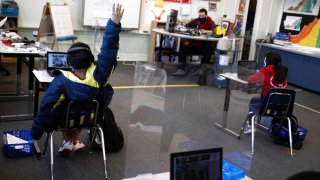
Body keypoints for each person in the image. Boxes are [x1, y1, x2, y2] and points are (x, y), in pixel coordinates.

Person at [30, 4, 124, 154]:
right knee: (80, 105)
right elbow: (109, 49)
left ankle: (69, 139)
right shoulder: (101, 74)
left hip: (65, 119)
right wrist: (114, 22)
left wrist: (36, 133)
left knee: (61, 105)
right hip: (93, 118)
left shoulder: (60, 81)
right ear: (91, 60)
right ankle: (73, 139)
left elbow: (46, 107)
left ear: (68, 63)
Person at [244, 51, 288, 134]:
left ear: (266, 61)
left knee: (254, 100)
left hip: (266, 107)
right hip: (282, 107)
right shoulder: (283, 72)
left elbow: (250, 80)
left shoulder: (264, 71)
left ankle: (250, 126)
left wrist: (258, 73)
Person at [172, 8, 216, 76]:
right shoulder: (196, 20)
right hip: (195, 44)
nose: (200, 17)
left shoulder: (210, 22)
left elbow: (214, 31)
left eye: (202, 16)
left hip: (204, 45)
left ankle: (202, 70)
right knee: (183, 48)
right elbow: (186, 26)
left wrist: (205, 31)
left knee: (208, 48)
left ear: (206, 15)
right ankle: (181, 69)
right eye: (199, 15)